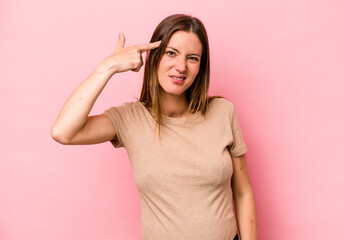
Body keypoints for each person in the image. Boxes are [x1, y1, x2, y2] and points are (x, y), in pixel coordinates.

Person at [51, 14, 257, 240]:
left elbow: (243, 191)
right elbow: (63, 132)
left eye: (193, 58)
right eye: (171, 53)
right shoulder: (130, 118)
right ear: (154, 57)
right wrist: (107, 66)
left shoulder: (222, 111)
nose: (181, 67)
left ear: (201, 66)